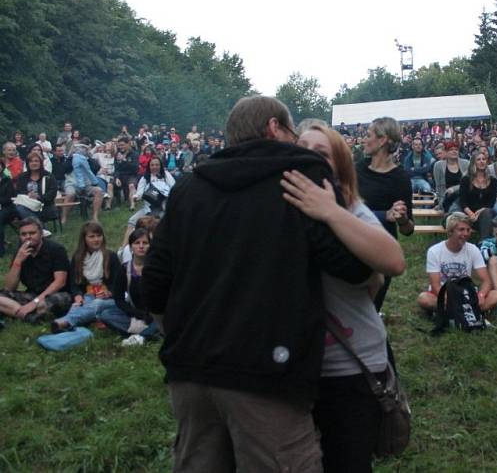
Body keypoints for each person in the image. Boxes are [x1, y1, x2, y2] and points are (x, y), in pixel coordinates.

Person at [141, 95, 372, 471]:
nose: (297, 142)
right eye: (292, 132)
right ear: (273, 128)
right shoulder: (298, 177)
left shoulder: (188, 187)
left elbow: (152, 284)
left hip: (191, 371)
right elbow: (352, 268)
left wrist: (178, 335)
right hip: (267, 373)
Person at [282, 124, 405, 473]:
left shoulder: (351, 208)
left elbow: (394, 261)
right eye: (301, 147)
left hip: (350, 365)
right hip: (296, 362)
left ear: (338, 166)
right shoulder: (278, 208)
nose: (308, 155)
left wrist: (330, 211)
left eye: (321, 152)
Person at [357, 116, 414, 312]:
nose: (364, 139)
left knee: (369, 312)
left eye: (368, 135)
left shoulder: (400, 179)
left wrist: (403, 218)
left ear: (382, 140)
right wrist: (384, 215)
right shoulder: (358, 169)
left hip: (381, 253)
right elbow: (346, 210)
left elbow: (408, 230)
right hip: (352, 245)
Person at [417, 212, 497, 313]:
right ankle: (469, 312)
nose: (466, 234)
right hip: (444, 293)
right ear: (450, 232)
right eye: (461, 230)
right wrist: (449, 299)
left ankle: (452, 313)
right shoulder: (434, 251)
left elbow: (486, 281)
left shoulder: (473, 249)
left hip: (466, 292)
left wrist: (481, 295)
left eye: (468, 230)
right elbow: (435, 285)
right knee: (423, 298)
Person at [51, 221, 122, 333]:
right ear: (84, 239)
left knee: (97, 304)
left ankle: (66, 322)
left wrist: (109, 293)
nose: (96, 239)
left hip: (109, 298)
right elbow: (74, 284)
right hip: (88, 295)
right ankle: (68, 325)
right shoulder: (78, 257)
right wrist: (78, 296)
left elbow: (119, 284)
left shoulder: (110, 256)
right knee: (77, 305)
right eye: (91, 237)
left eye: (99, 236)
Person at [0, 217, 71, 322]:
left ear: (41, 234)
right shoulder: (20, 252)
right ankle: (28, 317)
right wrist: (18, 261)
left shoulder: (56, 249)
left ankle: (15, 311)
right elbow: (9, 288)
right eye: (24, 234)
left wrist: (35, 302)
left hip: (56, 294)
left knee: (52, 302)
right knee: (2, 296)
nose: (28, 237)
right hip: (32, 294)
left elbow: (60, 282)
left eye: (32, 233)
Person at [97, 228, 161, 346]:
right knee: (105, 314)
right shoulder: (124, 269)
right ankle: (151, 332)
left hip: (158, 313)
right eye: (137, 243)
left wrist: (152, 314)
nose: (141, 246)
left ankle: (142, 336)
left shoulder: (157, 268)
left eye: (145, 243)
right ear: (131, 247)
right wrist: (136, 313)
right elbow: (119, 299)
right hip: (136, 313)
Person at [121, 157, 176, 248]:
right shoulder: (145, 178)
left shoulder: (166, 175)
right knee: (132, 221)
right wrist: (136, 197)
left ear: (160, 166)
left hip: (163, 208)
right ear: (149, 166)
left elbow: (174, 188)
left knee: (161, 224)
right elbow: (139, 193)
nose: (154, 167)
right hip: (148, 209)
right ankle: (123, 249)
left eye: (157, 165)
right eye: (152, 165)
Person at [458, 151, 497, 239]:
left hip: (486, 213)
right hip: (469, 215)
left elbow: (492, 202)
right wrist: (471, 214)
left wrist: (481, 211)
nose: (482, 161)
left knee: (487, 213)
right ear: (473, 162)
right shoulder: (466, 179)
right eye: (478, 159)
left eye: (484, 159)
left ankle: (484, 243)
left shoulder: (493, 180)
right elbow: (462, 201)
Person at [14, 151, 57, 224]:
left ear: (41, 163)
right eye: (31, 161)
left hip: (44, 205)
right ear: (28, 164)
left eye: (36, 161)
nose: (34, 163)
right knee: (20, 209)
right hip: (27, 204)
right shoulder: (22, 177)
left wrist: (39, 197)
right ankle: (40, 228)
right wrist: (29, 195)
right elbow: (19, 191)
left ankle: (38, 228)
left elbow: (52, 192)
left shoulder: (49, 176)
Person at [71, 139, 105, 223]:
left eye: (85, 148)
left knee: (99, 191)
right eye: (83, 148)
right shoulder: (74, 158)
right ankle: (63, 218)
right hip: (73, 184)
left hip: (85, 185)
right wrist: (94, 182)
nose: (84, 150)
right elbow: (86, 172)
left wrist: (89, 157)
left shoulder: (86, 158)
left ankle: (95, 216)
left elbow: (95, 168)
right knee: (70, 193)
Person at [433, 141, 469, 212]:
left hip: (463, 196)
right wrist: (440, 203)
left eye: (456, 149)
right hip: (446, 197)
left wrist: (454, 189)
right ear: (446, 152)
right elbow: (439, 187)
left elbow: (469, 183)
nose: (454, 151)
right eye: (451, 149)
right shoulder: (438, 165)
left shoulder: (466, 164)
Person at [114, 137, 139, 210]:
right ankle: (108, 206)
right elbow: (116, 168)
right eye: (119, 145)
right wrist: (117, 178)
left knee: (131, 185)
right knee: (110, 184)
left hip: (132, 175)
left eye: (122, 145)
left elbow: (135, 168)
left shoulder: (135, 154)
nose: (121, 147)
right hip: (120, 176)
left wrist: (124, 160)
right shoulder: (117, 155)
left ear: (128, 144)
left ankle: (132, 205)